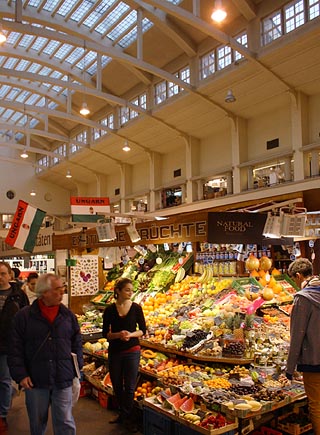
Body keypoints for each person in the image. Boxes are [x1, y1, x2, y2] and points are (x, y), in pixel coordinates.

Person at [8, 273, 83, 435]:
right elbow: (15, 348)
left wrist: (76, 370)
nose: (62, 292)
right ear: (44, 292)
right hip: (35, 380)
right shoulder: (24, 317)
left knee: (65, 421)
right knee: (37, 422)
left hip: (63, 377)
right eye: (57, 289)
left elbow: (77, 343)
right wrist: (20, 375)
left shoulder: (68, 315)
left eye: (62, 288)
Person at [102, 277, 146, 433]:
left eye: (132, 290)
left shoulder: (136, 308)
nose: (130, 293)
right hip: (115, 352)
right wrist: (117, 335)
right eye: (127, 290)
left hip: (132, 351)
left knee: (130, 387)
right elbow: (105, 334)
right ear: (118, 291)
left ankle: (128, 418)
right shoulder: (109, 310)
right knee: (117, 385)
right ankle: (123, 413)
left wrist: (131, 335)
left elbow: (143, 330)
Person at [286, 258, 320, 434]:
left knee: (316, 405)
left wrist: (289, 370)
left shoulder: (302, 298)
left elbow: (297, 336)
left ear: (298, 276)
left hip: (314, 360)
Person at [0, 262, 29, 435]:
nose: (0, 277)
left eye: (3, 273)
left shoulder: (18, 295)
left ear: (10, 275)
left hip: (7, 344)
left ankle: (2, 414)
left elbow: (27, 318)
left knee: (4, 379)